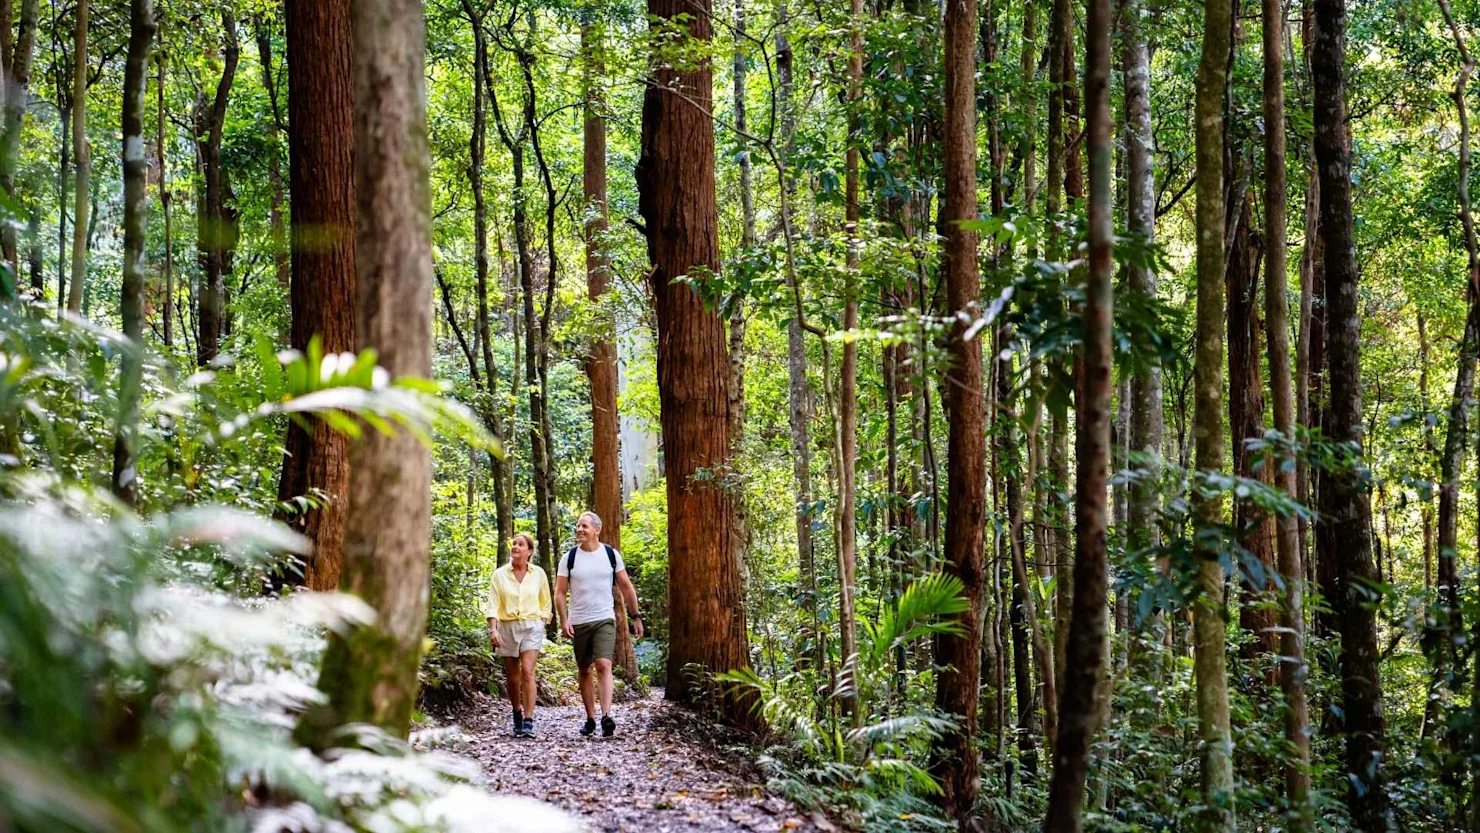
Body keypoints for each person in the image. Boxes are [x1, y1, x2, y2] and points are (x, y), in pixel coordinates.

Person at [554, 511, 643, 738]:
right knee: (584, 669)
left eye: (584, 526)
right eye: (578, 526)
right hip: (580, 620)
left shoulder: (610, 555)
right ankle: (590, 718)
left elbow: (626, 586)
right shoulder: (569, 558)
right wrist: (564, 619)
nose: (580, 530)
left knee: (603, 664)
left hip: (604, 618)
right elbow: (560, 592)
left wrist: (636, 616)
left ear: (597, 529)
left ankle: (606, 716)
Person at [486, 532, 551, 738]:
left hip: (532, 626)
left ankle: (529, 720)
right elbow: (493, 605)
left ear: (529, 551)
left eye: (520, 544)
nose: (515, 547)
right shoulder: (499, 575)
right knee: (513, 678)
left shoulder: (538, 574)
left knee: (528, 672)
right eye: (514, 543)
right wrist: (493, 629)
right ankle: (516, 712)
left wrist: (542, 621)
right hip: (507, 626)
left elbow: (545, 602)